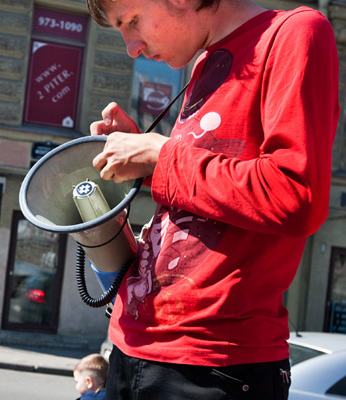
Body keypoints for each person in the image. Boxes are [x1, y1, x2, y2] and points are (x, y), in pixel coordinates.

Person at [85, 0, 340, 398]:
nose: (132, 47)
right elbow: (207, 191)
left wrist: (160, 154)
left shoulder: (296, 31)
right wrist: (148, 163)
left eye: (132, 21)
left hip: (212, 365)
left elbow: (296, 195)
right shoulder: (203, 62)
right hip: (130, 345)